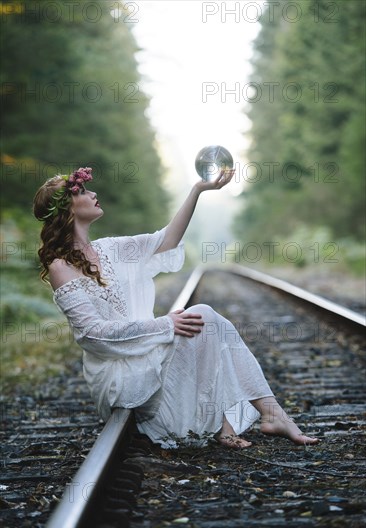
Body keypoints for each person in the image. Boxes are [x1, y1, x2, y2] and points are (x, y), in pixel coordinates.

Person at [33, 167, 319, 449]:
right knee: (201, 318)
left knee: (205, 319)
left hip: (146, 354)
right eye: (83, 191)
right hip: (119, 375)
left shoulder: (111, 248)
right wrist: (164, 325)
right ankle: (253, 418)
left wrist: (198, 190)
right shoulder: (61, 267)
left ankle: (257, 417)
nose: (93, 193)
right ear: (67, 209)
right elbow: (92, 335)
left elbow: (167, 239)